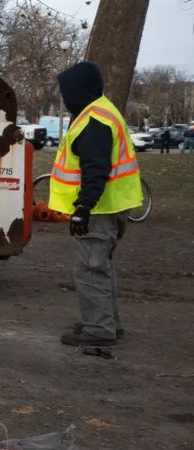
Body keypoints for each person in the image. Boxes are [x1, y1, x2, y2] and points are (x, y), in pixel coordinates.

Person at [47, 61, 143, 348]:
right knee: (101, 266)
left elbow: (95, 169)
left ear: (79, 90)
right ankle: (107, 321)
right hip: (113, 205)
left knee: (91, 269)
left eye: (66, 92)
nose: (64, 99)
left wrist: (82, 209)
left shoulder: (94, 121)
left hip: (99, 210)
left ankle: (99, 329)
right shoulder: (101, 111)